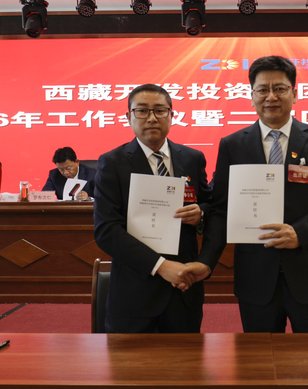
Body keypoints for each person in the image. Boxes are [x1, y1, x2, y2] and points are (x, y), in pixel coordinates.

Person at [191, 55, 308, 333]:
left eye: (280, 88)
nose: (271, 96)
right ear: (252, 96)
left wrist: (300, 232)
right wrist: (206, 261)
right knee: (259, 358)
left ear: (294, 93)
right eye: (262, 89)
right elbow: (221, 208)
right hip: (255, 276)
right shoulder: (232, 145)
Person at [93, 84, 221, 333]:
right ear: (128, 116)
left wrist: (201, 214)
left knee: (186, 357)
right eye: (142, 111)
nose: (151, 118)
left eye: (160, 110)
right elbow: (106, 231)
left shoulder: (192, 158)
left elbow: (210, 204)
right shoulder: (112, 163)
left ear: (171, 115)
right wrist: (162, 266)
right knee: (130, 359)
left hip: (184, 287)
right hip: (135, 292)